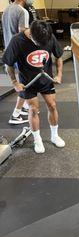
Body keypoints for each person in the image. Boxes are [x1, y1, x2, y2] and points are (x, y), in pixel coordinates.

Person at [3, 20, 65, 154]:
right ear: (31, 35)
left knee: (52, 105)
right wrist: (14, 82)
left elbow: (58, 56)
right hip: (27, 83)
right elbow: (8, 64)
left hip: (45, 79)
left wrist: (59, 75)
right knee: (33, 109)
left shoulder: (48, 35)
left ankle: (54, 135)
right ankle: (37, 139)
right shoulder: (17, 41)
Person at [2, 0, 34, 125]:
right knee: (25, 82)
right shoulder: (22, 11)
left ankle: (26, 107)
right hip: (20, 51)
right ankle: (16, 114)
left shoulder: (6, 9)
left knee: (24, 81)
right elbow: (23, 32)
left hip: (9, 49)